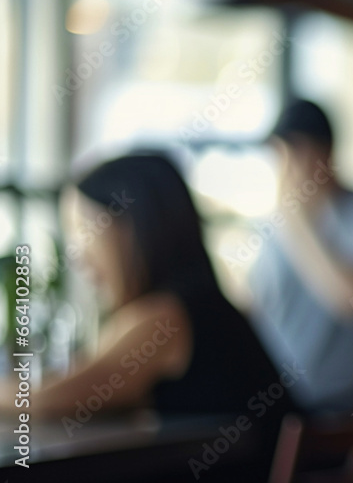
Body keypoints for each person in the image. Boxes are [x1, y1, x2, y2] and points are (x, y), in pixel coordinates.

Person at [3, 153, 295, 473]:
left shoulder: (165, 319)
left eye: (85, 229)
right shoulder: (202, 304)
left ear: (133, 226)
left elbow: (47, 401)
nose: (78, 255)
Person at [246, 99, 353, 415]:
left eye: (297, 152)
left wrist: (299, 220)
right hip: (271, 399)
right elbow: (255, 306)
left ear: (326, 153)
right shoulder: (274, 223)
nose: (287, 167)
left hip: (336, 401)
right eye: (281, 155)